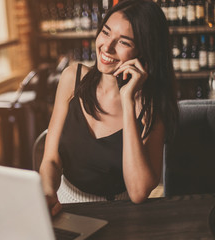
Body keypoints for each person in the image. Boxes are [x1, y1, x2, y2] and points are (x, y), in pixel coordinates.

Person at [39, 0, 179, 216]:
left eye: (123, 42)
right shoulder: (72, 77)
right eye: (105, 33)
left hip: (120, 215)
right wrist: (48, 193)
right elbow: (50, 159)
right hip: (64, 208)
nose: (107, 46)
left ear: (144, 50)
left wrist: (127, 99)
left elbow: (138, 192)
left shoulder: (152, 106)